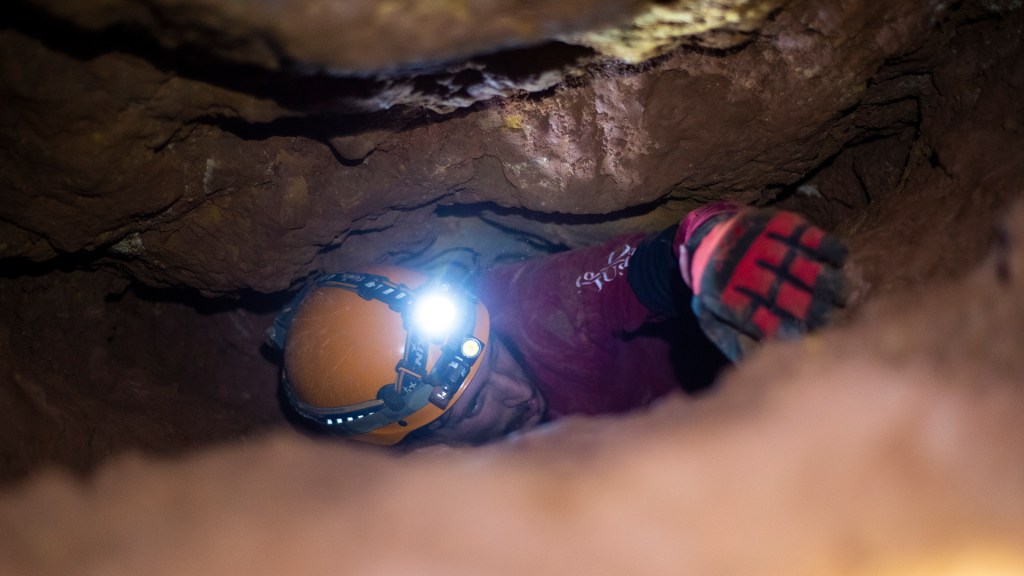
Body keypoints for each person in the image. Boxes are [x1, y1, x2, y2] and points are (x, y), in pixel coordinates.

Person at [266, 202, 847, 447]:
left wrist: (711, 244)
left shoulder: (522, 309)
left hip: (723, 412)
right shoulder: (422, 499)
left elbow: (640, 270)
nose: (518, 392)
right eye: (473, 405)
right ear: (421, 439)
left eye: (492, 354)